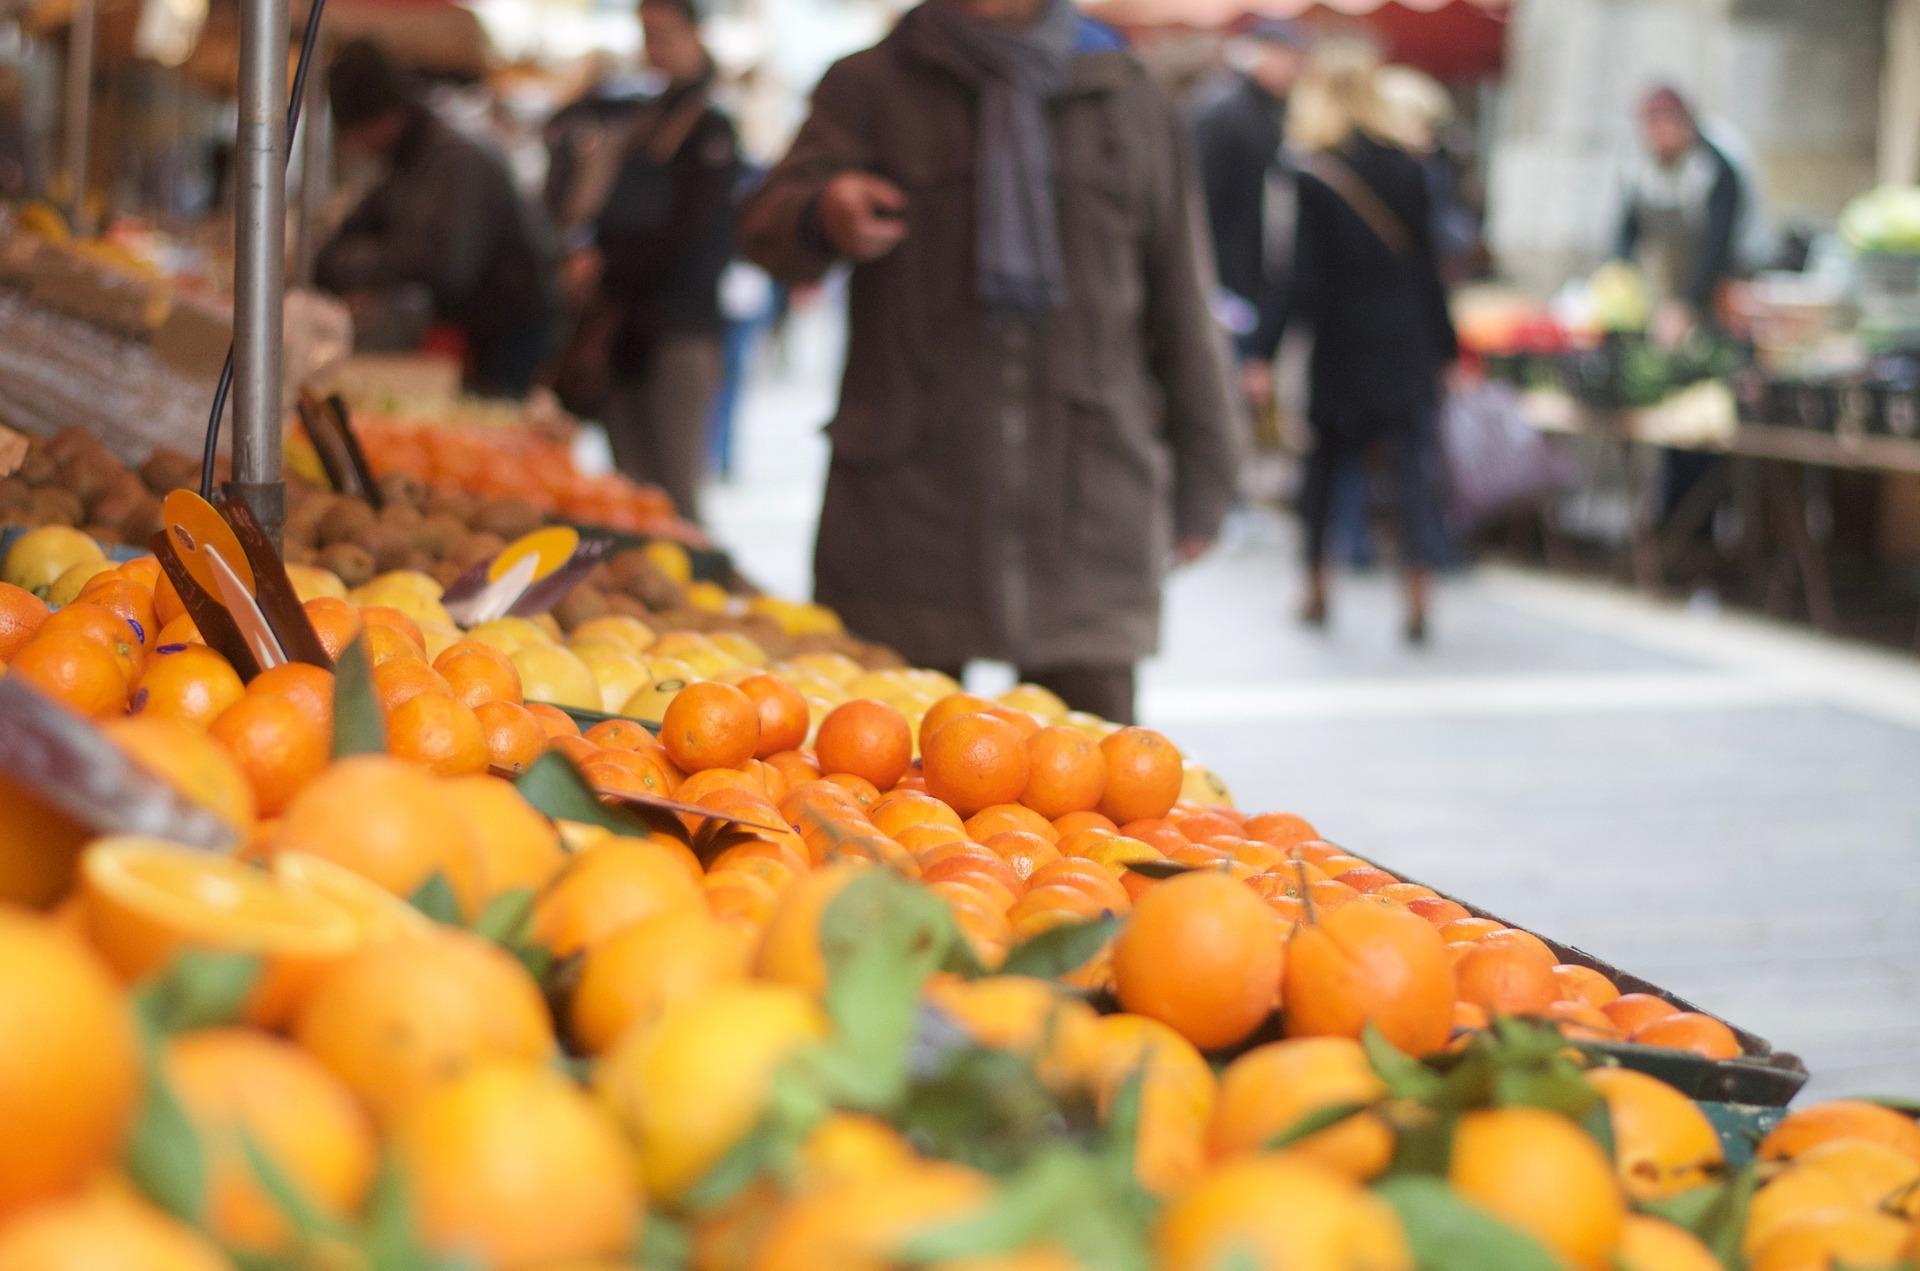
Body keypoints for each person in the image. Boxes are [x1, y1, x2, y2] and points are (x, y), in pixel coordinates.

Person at [739, 0, 1240, 724]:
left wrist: (1207, 478)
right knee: (881, 783)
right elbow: (761, 229)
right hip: (906, 510)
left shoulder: (1127, 93)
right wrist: (820, 213)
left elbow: (1184, 300)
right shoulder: (871, 84)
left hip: (1088, 503)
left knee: (1100, 797)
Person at [1251, 41, 1456, 645]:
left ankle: (1317, 588)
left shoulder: (1310, 171)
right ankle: (1417, 592)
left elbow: (1298, 279)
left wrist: (1265, 349)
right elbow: (1428, 270)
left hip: (1340, 347)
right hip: (1405, 343)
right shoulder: (1410, 165)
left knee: (1323, 472)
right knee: (1412, 475)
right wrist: (1445, 349)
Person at [316, 40, 557, 398]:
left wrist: (356, 263)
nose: (356, 147)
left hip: (507, 336)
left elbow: (446, 266)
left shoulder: (453, 159)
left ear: (381, 118)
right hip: (477, 329)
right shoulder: (411, 158)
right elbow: (344, 239)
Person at [586, 0, 741, 523]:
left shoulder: (710, 127)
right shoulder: (648, 118)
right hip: (628, 326)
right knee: (633, 489)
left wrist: (613, 268)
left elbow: (694, 237)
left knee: (675, 495)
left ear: (695, 34)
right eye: (647, 34)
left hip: (679, 330)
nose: (655, 48)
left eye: (665, 34)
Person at [1190, 19, 1309, 376]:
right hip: (1230, 285)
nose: (1293, 68)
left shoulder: (1267, 111)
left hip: (1254, 281)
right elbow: (1208, 204)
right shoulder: (1226, 114)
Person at [1616, 85, 1750, 350]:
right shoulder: (1637, 169)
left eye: (1667, 123)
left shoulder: (1713, 170)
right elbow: (1627, 232)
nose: (1659, 134)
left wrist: (1687, 305)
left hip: (1726, 274)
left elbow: (1718, 245)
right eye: (1652, 124)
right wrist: (1622, 281)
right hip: (1673, 272)